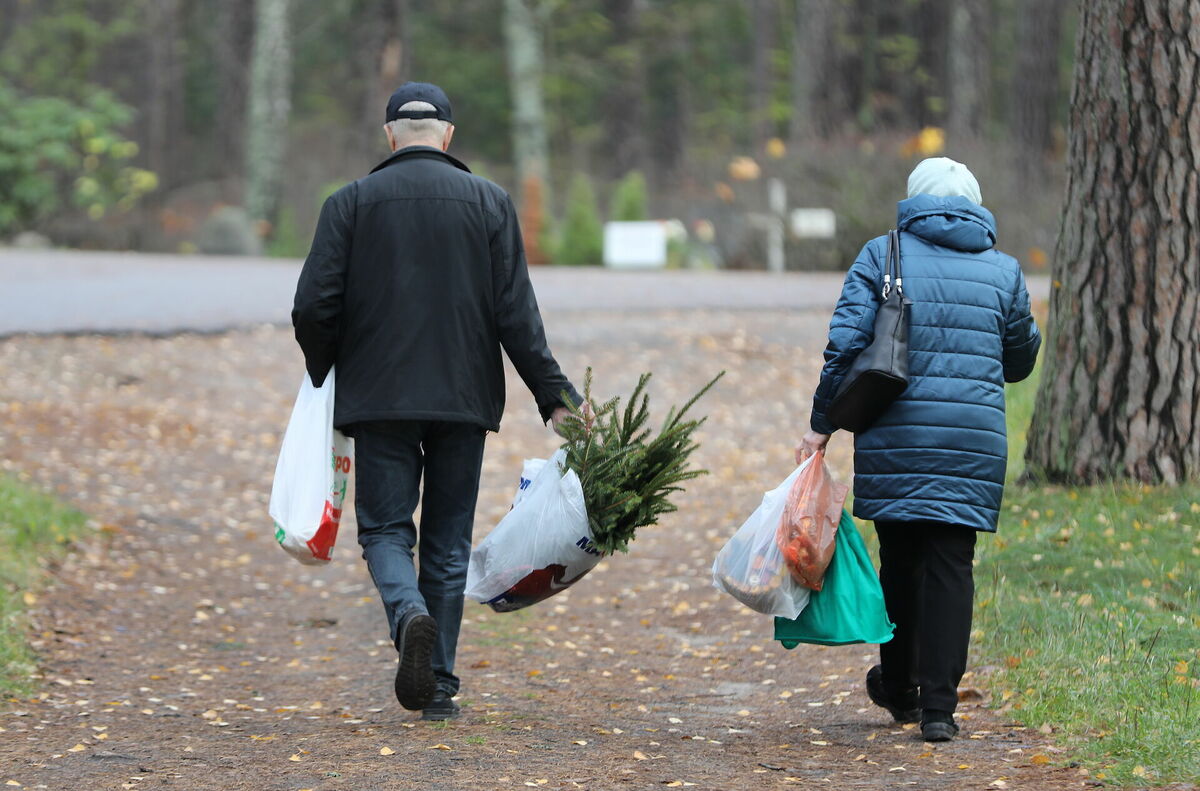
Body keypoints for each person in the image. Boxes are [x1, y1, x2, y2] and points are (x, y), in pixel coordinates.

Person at [292, 82, 581, 721]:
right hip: (463, 398)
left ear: (389, 134)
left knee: (385, 530)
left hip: (380, 397)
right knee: (448, 543)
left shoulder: (349, 204)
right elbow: (517, 314)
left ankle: (407, 614)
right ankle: (440, 688)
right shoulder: (490, 203)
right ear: (448, 136)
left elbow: (313, 306)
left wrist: (327, 368)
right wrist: (556, 396)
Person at [797, 157, 1041, 742]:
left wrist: (822, 424)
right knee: (952, 563)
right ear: (975, 206)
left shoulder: (882, 256)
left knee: (901, 558)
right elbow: (1020, 360)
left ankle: (900, 685)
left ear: (915, 200)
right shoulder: (1004, 270)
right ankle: (939, 710)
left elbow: (844, 347)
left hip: (895, 435)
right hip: (972, 442)